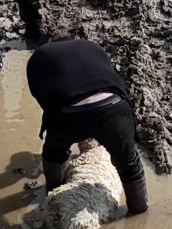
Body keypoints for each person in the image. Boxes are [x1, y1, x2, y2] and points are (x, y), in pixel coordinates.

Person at [26, 31, 148, 215]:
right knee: (128, 162)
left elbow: (42, 98)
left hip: (68, 112)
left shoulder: (40, 55)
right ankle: (139, 211)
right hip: (114, 108)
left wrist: (59, 126)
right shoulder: (92, 46)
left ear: (48, 42)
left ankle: (53, 198)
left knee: (53, 153)